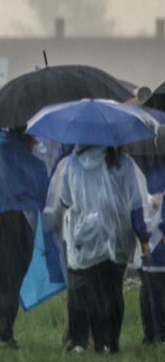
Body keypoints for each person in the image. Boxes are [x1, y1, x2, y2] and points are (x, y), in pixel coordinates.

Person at [47, 145, 152, 354]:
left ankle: (98, 342)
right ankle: (111, 341)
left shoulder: (73, 164)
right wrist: (143, 237)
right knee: (113, 291)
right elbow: (136, 204)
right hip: (118, 237)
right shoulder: (124, 163)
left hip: (86, 238)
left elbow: (66, 200)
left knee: (93, 292)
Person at [0, 128, 50, 348]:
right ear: (24, 134)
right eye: (33, 136)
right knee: (11, 281)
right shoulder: (23, 158)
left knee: (0, 281)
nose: (36, 141)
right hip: (12, 226)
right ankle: (4, 334)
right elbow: (41, 190)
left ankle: (1, 329)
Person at [140, 193, 165, 344]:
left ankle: (154, 335)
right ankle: (157, 335)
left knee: (152, 289)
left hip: (150, 236)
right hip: (153, 239)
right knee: (154, 289)